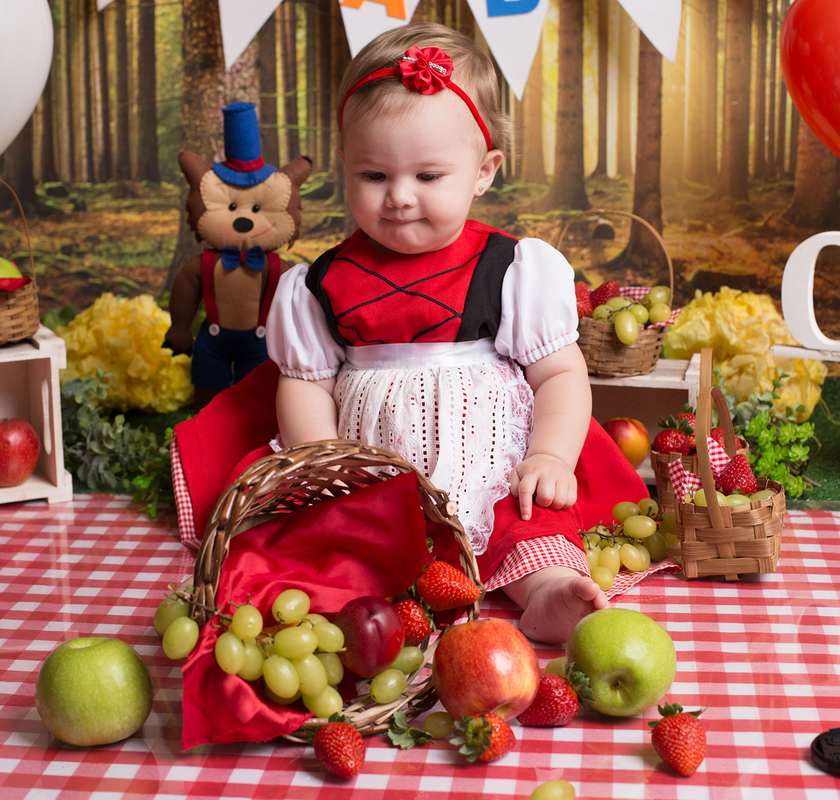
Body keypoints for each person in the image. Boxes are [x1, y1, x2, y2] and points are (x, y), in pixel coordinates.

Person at [264, 22, 647, 644]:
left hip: (490, 463)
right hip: (377, 475)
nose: (398, 198)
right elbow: (307, 384)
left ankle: (546, 592)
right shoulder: (320, 283)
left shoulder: (511, 268)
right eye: (373, 175)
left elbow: (559, 372)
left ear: (482, 171)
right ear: (345, 164)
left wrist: (549, 456)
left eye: (428, 177)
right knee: (348, 547)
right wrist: (324, 466)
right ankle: (370, 610)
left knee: (526, 522)